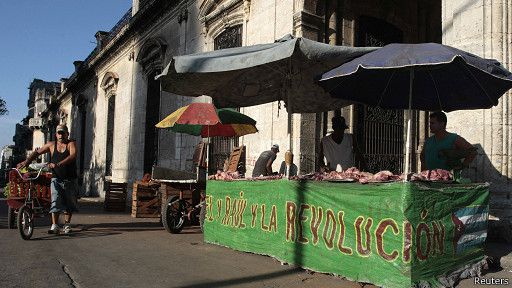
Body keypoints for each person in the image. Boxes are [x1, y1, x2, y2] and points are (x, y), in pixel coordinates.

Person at [17, 124, 78, 234]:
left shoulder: (71, 143)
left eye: (63, 133)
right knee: (55, 201)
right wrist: (26, 162)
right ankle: (54, 225)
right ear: (56, 135)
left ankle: (67, 224)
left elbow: (73, 155)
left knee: (69, 203)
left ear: (67, 134)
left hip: (70, 178)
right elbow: (37, 152)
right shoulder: (51, 145)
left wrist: (59, 163)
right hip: (56, 178)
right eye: (59, 133)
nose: (61, 135)